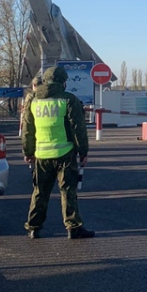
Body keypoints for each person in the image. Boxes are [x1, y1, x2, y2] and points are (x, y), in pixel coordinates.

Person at [22, 65, 94, 239]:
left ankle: (33, 227)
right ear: (63, 82)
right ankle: (73, 227)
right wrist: (83, 152)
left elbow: (27, 129)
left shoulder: (33, 100)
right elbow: (78, 128)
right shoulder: (69, 99)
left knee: (40, 192)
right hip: (65, 154)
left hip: (41, 155)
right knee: (68, 192)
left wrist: (28, 151)